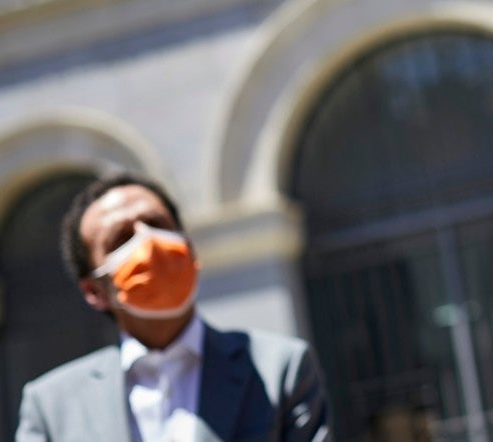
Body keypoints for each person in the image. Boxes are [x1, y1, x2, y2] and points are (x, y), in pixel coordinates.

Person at [16, 172, 329, 441]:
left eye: (156, 224)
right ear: (94, 290)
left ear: (189, 249)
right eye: (121, 238)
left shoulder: (281, 368)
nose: (148, 243)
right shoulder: (50, 406)